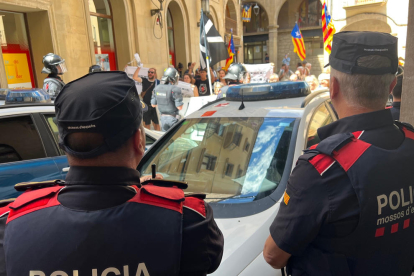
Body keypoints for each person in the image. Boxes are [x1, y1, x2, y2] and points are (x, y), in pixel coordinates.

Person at [0, 71, 224, 275]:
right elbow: (209, 258)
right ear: (139, 141)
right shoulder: (190, 221)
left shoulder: (10, 224)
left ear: (64, 145)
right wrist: (147, 195)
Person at [263, 31, 414, 276]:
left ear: (333, 87)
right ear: (391, 85)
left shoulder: (322, 168)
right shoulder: (410, 142)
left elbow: (273, 255)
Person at [132, 66, 161, 131]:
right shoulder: (144, 80)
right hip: (146, 106)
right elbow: (134, 77)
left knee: (156, 124)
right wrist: (138, 68)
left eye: (152, 72)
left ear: (155, 74)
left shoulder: (158, 82)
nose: (150, 73)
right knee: (147, 125)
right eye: (149, 72)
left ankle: (159, 139)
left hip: (155, 107)